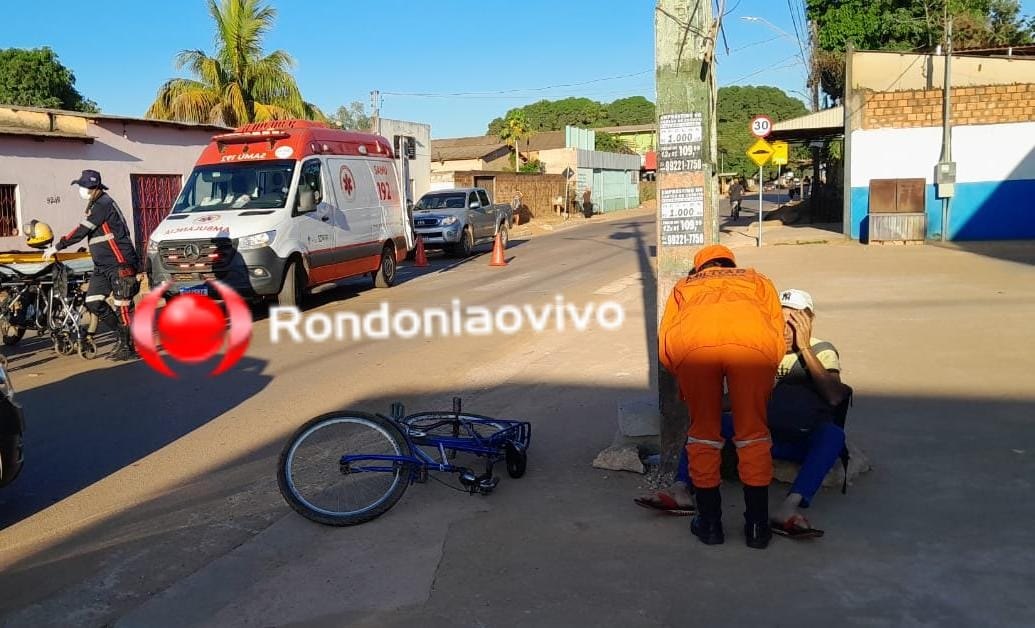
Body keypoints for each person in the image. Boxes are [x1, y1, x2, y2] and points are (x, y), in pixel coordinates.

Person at [639, 288, 851, 539]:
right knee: (707, 422)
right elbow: (728, 403)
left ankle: (789, 508)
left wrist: (804, 348)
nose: (785, 329)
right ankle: (681, 489)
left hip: (801, 437)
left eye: (794, 321)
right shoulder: (760, 350)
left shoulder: (821, 350)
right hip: (758, 435)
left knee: (833, 436)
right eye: (779, 320)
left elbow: (835, 396)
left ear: (809, 321)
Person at [657, 244, 785, 549]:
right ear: (730, 264)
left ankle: (711, 525)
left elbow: (665, 341)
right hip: (753, 349)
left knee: (703, 436)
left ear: (699, 268)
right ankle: (757, 527)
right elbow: (777, 332)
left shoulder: (684, 285)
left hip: (694, 349)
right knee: (753, 434)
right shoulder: (758, 280)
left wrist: (681, 372)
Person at [42, 169, 141, 361]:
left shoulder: (103, 205)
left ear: (93, 187)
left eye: (83, 186)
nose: (80, 190)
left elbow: (80, 231)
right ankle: (123, 337)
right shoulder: (96, 204)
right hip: (102, 267)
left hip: (119, 263)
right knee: (93, 302)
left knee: (123, 305)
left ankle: (128, 346)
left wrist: (58, 246)